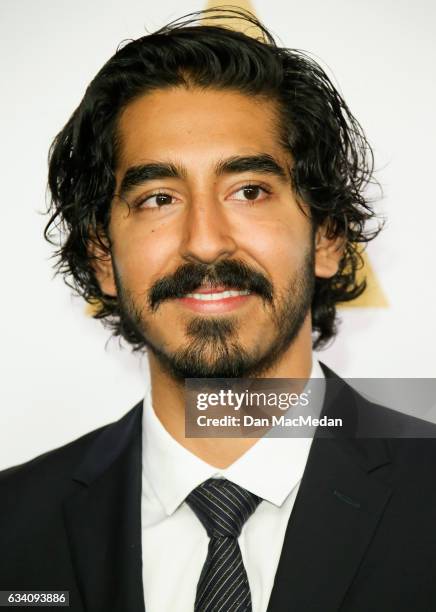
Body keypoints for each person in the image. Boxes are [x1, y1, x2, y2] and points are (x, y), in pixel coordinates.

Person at [1, 8, 436, 612]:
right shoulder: (12, 526)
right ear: (102, 256)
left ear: (330, 237)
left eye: (249, 191)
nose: (205, 241)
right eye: (158, 198)